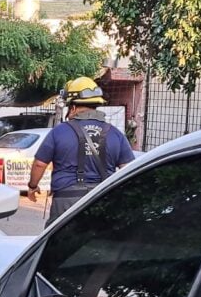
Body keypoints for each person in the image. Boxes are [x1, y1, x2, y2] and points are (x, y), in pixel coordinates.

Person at [26, 76, 135, 225]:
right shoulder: (116, 134)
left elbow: (40, 164)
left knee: (60, 243)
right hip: (102, 198)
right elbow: (127, 169)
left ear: (73, 108)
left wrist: (32, 186)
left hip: (66, 200)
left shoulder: (59, 132)